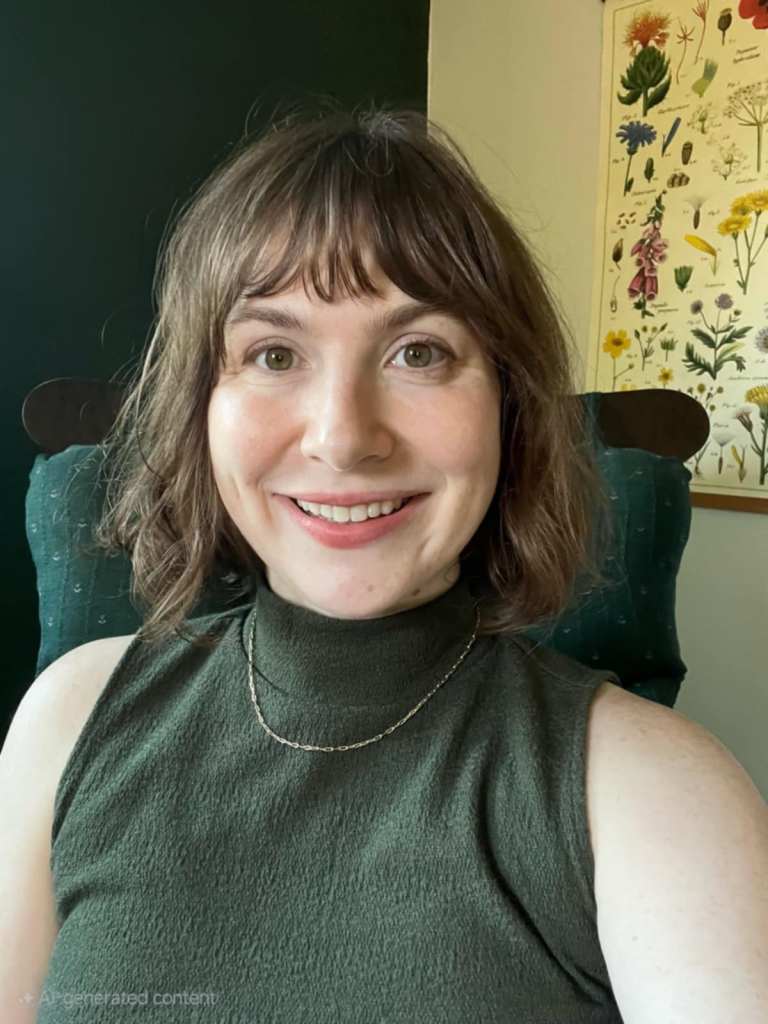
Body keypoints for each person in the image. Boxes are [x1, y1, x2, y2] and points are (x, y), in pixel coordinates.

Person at [2, 103, 766, 1023]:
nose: (342, 437)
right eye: (273, 352)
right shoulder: (67, 719)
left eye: (419, 351)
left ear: (508, 406)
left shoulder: (653, 791)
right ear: (200, 408)